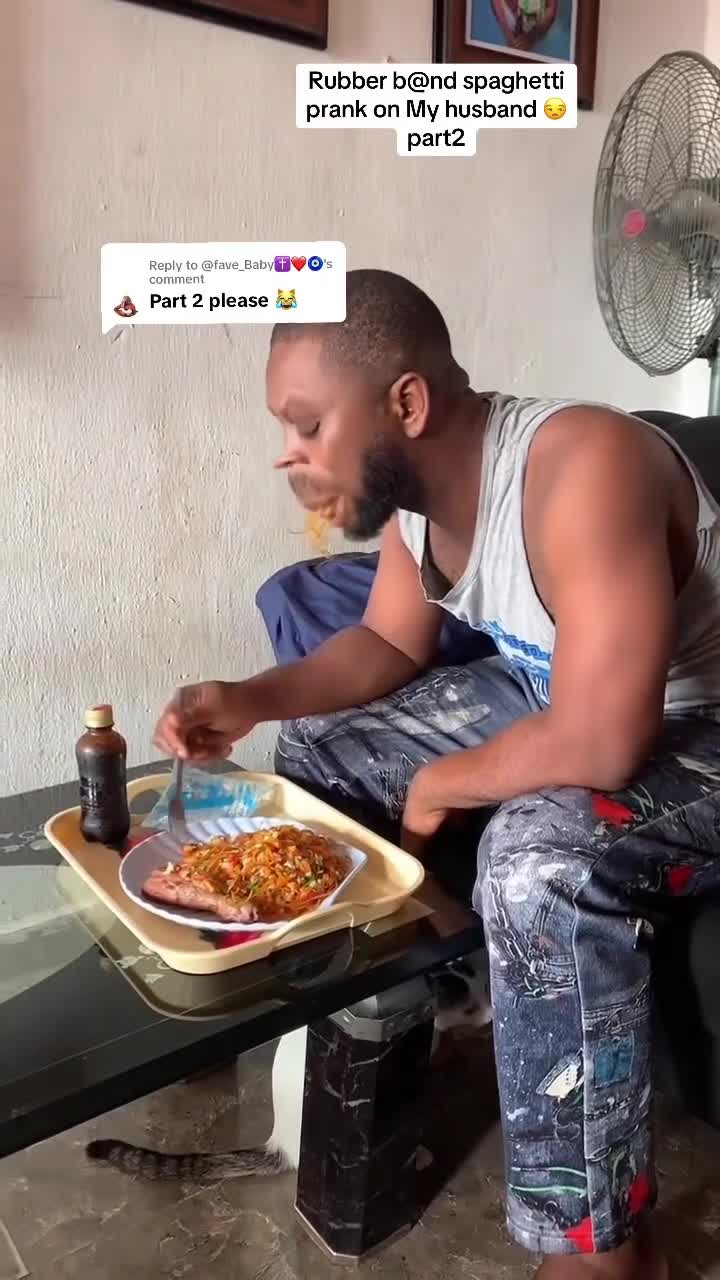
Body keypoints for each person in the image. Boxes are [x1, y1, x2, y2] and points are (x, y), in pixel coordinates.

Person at [154, 268, 720, 1278]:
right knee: (323, 747)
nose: (287, 452)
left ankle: (602, 1248)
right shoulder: (417, 503)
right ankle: (442, 991)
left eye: (307, 424)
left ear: (406, 404)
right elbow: (384, 642)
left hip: (699, 726)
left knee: (534, 858)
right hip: (572, 694)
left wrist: (444, 784)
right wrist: (250, 695)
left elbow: (603, 738)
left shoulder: (584, 466)